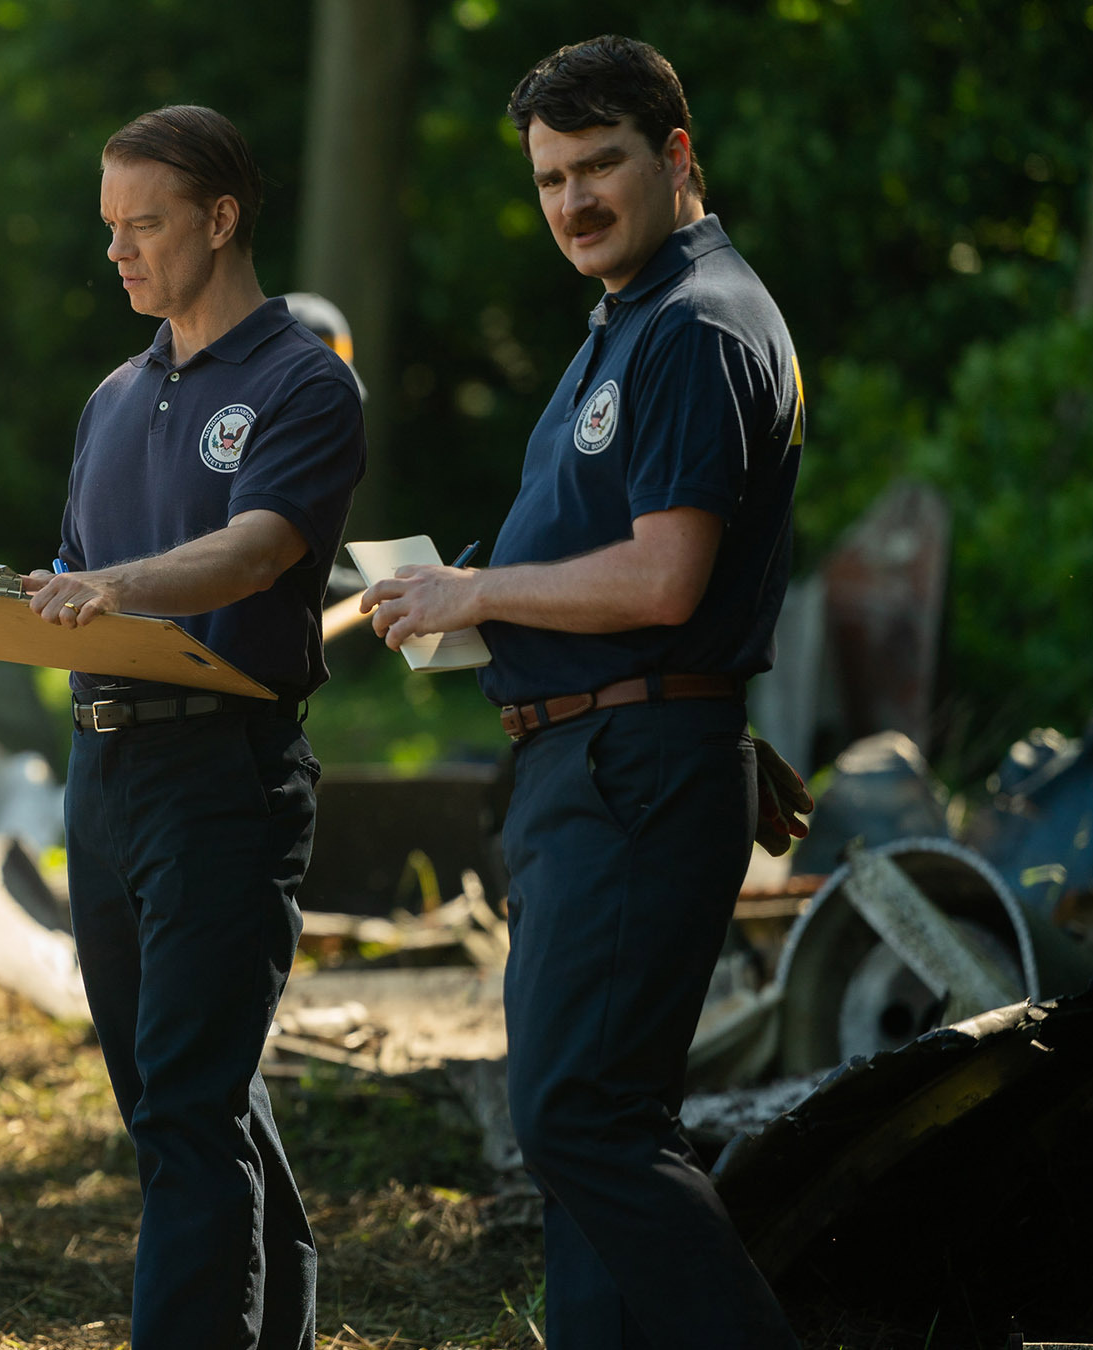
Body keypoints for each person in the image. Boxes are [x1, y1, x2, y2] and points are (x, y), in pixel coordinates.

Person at [362, 35, 808, 1349]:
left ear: (676, 155)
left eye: (599, 166)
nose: (573, 202)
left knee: (579, 1120)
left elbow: (667, 578)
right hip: (609, 760)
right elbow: (677, 584)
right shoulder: (630, 317)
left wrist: (478, 595)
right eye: (550, 179)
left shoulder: (696, 322)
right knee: (585, 1132)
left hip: (629, 772)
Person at [24, 106, 365, 1350]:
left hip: (224, 772)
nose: (116, 249)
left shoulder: (303, 381)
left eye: (145, 224)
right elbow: (78, 566)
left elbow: (257, 551)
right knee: (172, 1095)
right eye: (109, 225)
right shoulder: (113, 395)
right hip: (102, 769)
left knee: (186, 1104)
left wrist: (115, 588)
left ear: (220, 221)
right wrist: (34, 602)